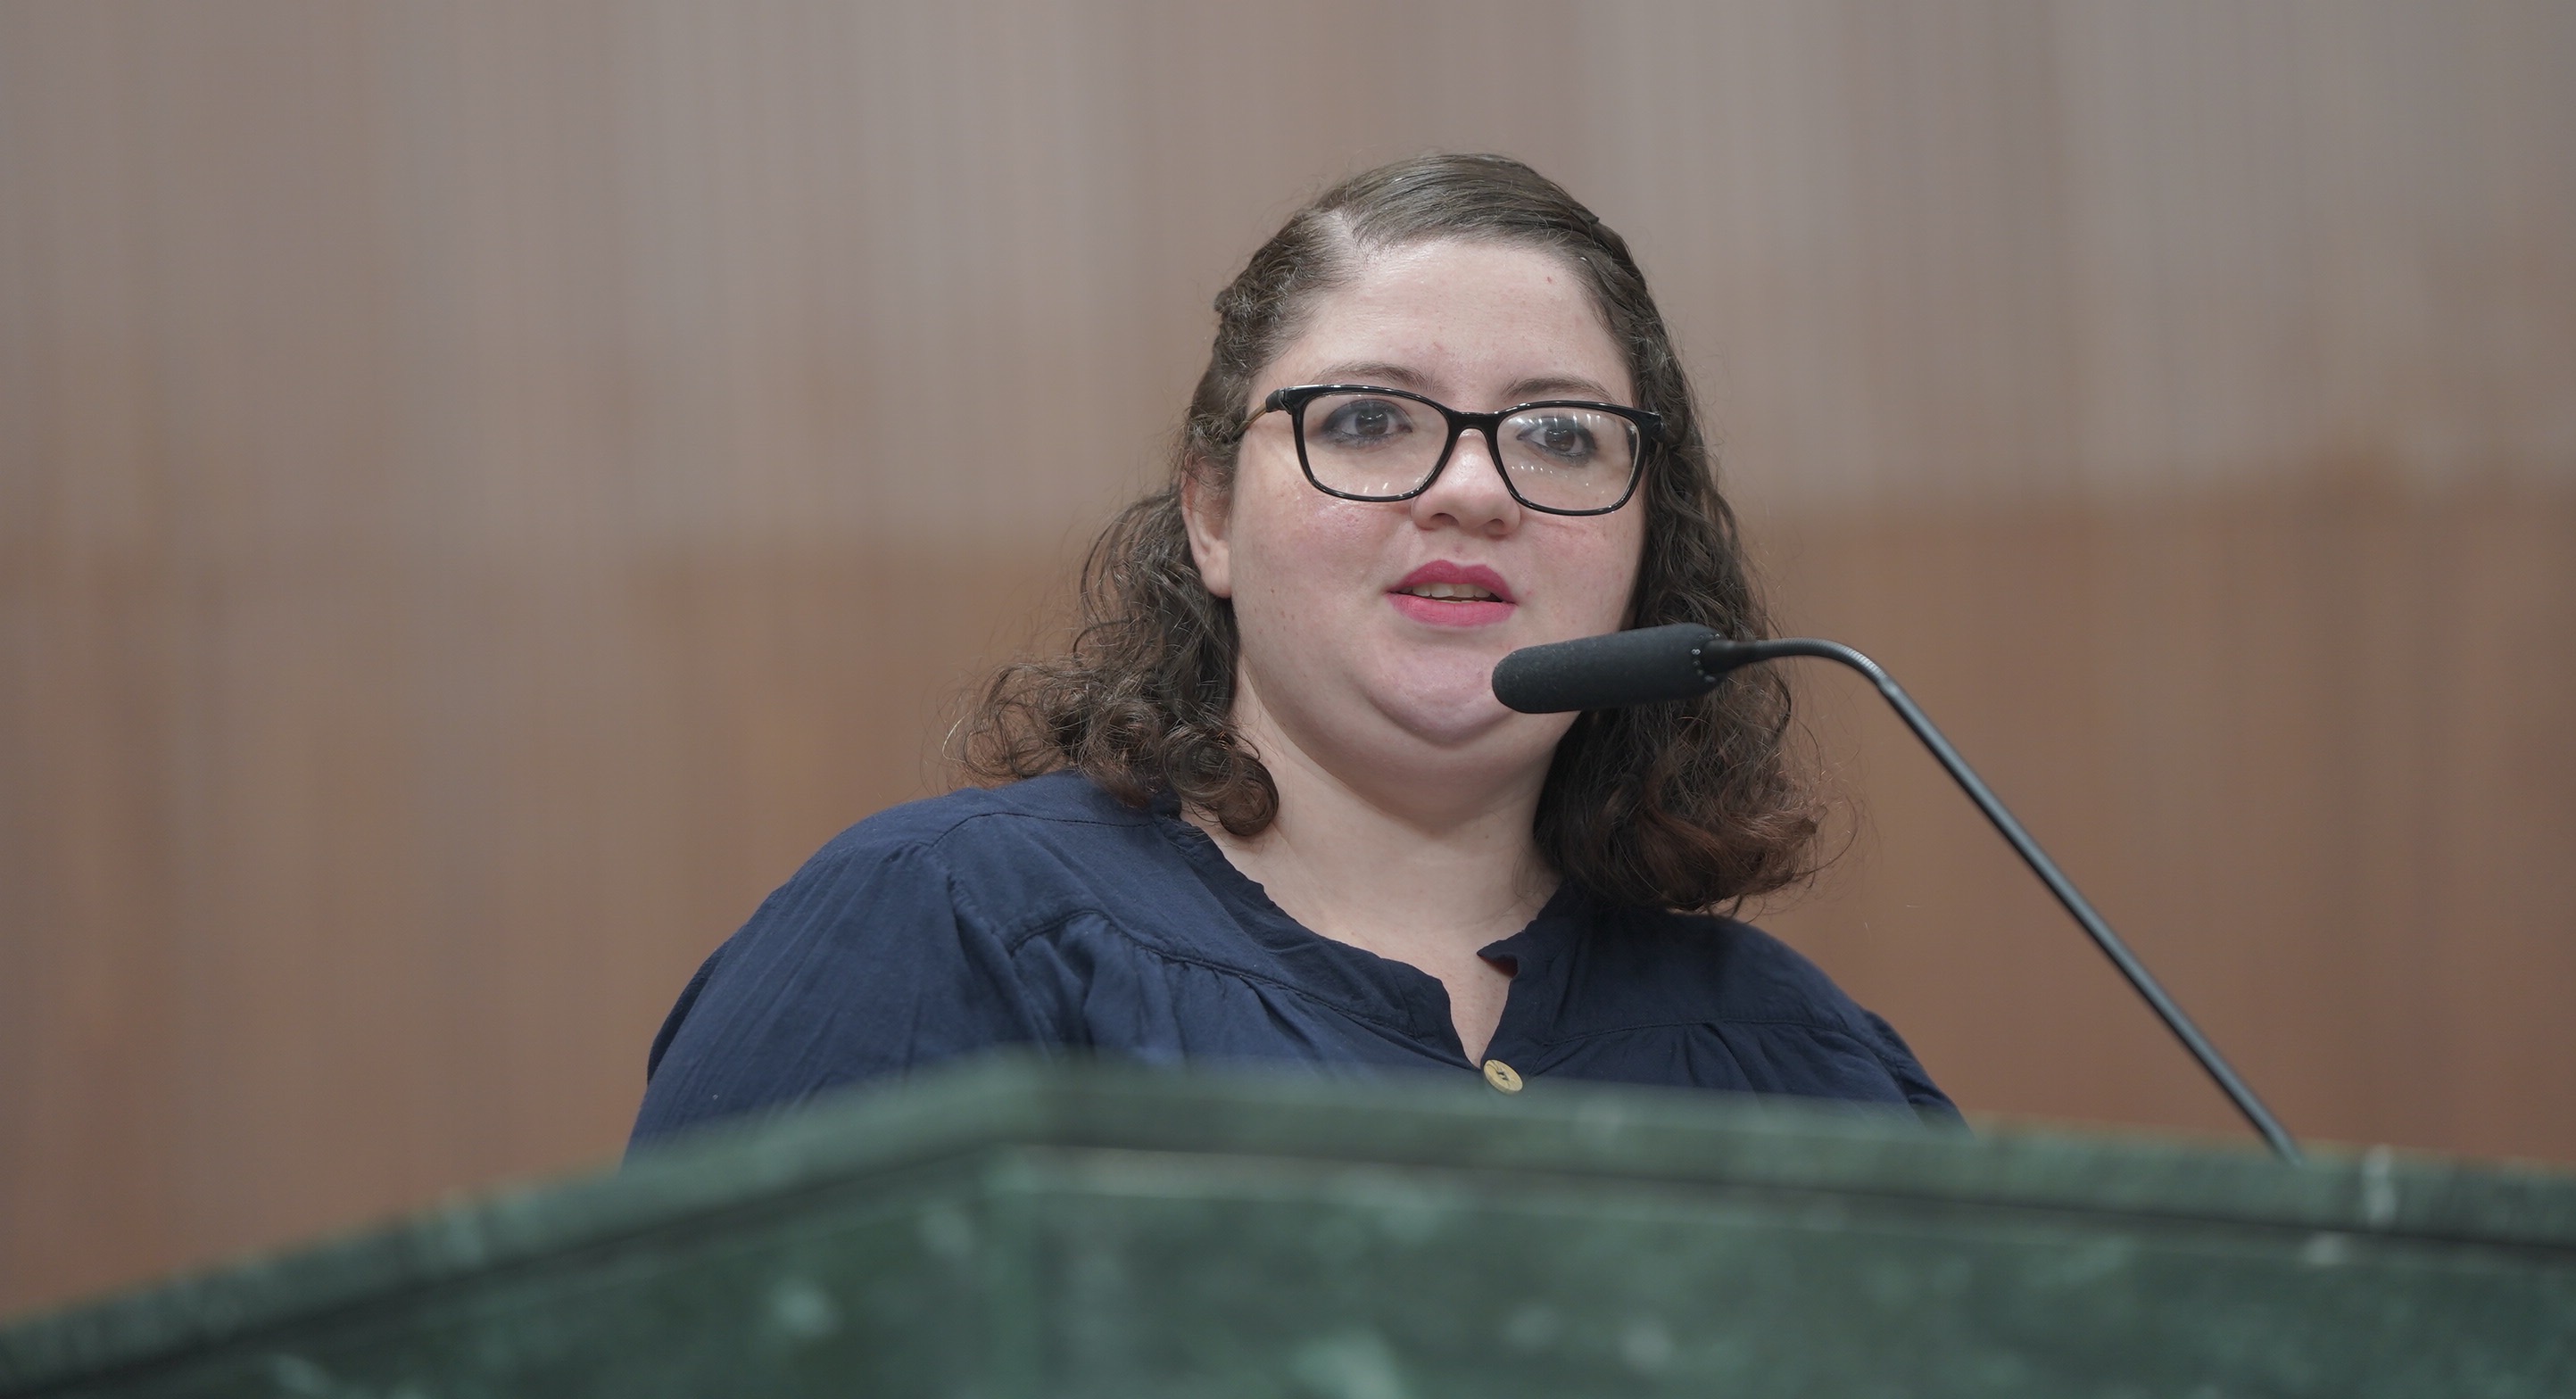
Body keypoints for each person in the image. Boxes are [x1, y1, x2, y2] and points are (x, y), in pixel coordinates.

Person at [630, 155, 1951, 1146]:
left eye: (1559, 435)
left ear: (1646, 536)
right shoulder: (951, 928)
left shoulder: (1805, 1066)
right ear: (1211, 512)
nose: (1473, 490)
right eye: (1370, 419)